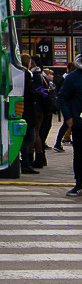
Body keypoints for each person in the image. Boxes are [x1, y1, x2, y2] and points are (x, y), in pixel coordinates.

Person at [57, 55, 82, 197]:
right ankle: (79, 184)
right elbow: (62, 97)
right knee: (79, 154)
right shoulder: (74, 77)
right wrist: (69, 118)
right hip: (79, 123)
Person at [54, 61, 77, 152]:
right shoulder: (70, 79)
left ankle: (59, 142)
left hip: (69, 105)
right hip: (71, 105)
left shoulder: (65, 78)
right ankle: (59, 142)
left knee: (66, 124)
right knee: (67, 124)